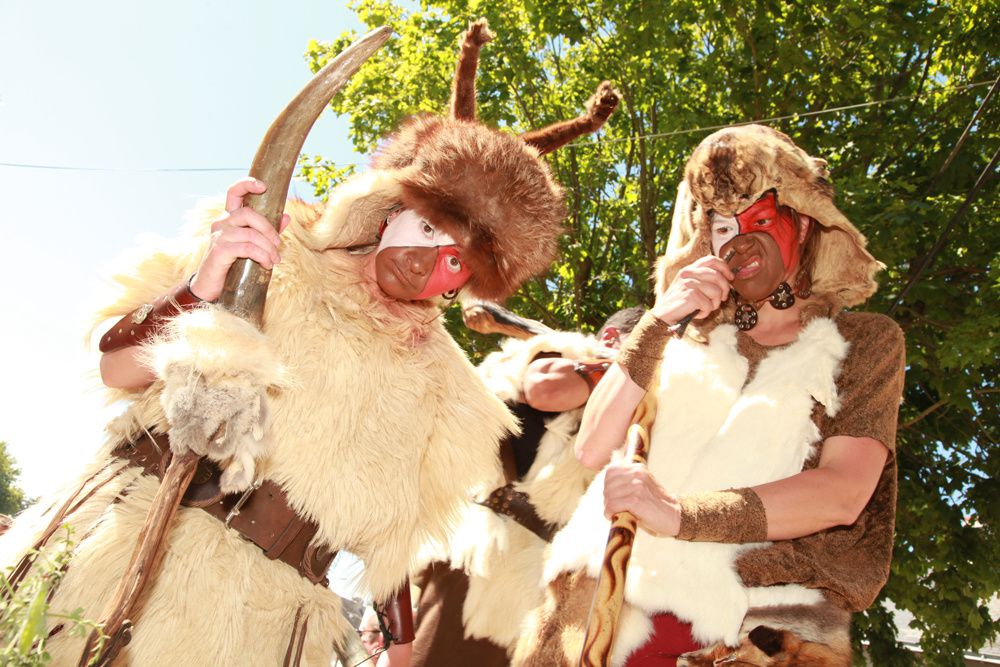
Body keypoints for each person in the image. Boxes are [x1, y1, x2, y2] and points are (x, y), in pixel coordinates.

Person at [0, 20, 618, 666]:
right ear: (393, 204)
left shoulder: (445, 386)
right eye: (430, 227)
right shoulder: (278, 248)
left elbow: (393, 545)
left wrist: (403, 649)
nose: (428, 260)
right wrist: (203, 283)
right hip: (124, 558)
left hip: (263, 629)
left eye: (457, 261)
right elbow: (117, 365)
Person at [514, 124, 905, 667]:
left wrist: (679, 514)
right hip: (597, 613)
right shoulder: (679, 339)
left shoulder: (865, 342)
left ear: (805, 222)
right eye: (722, 225)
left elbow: (842, 492)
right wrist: (658, 321)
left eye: (759, 219)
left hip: (751, 630)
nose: (738, 238)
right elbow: (593, 447)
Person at [409, 306, 644, 667]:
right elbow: (545, 389)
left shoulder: (640, 418)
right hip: (481, 570)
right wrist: (629, 367)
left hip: (548, 596)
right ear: (612, 339)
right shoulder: (559, 355)